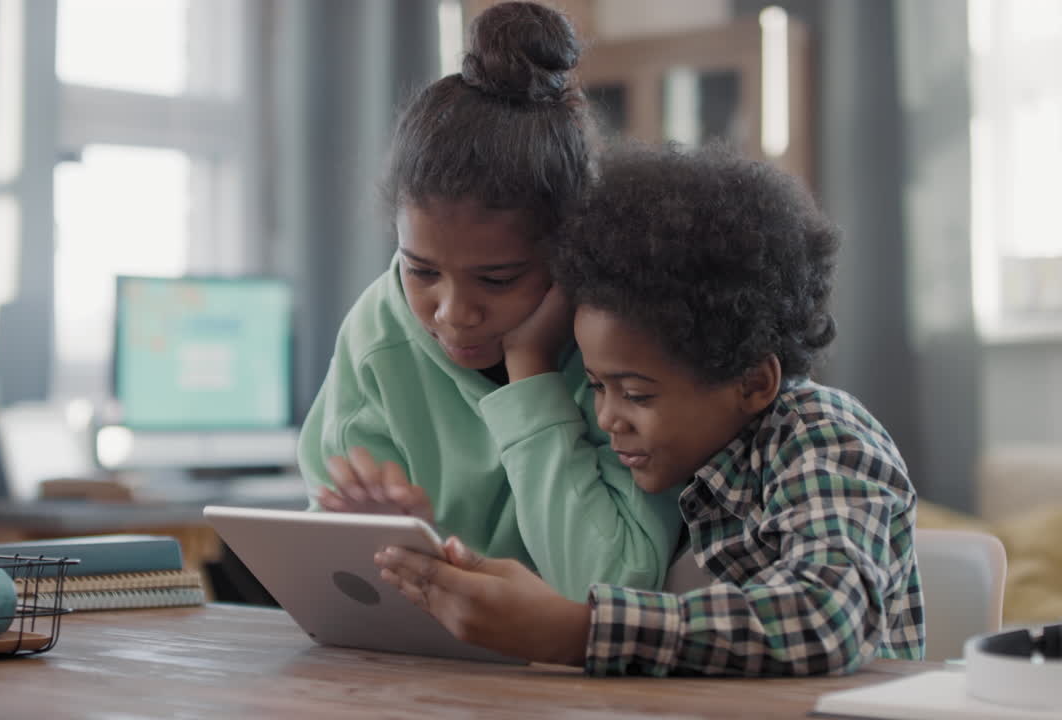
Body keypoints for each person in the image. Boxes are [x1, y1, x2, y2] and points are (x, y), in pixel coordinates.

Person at [374, 142, 925, 676]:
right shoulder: (687, 464)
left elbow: (826, 618)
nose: (607, 418)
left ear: (754, 381)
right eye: (596, 386)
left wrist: (575, 632)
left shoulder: (823, 439)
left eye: (637, 394)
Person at [298, 1, 683, 603]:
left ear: (569, 252)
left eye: (497, 279)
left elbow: (614, 588)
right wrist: (388, 543)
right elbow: (335, 587)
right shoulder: (378, 334)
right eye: (421, 270)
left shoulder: (626, 352)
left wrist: (531, 377)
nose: (453, 313)